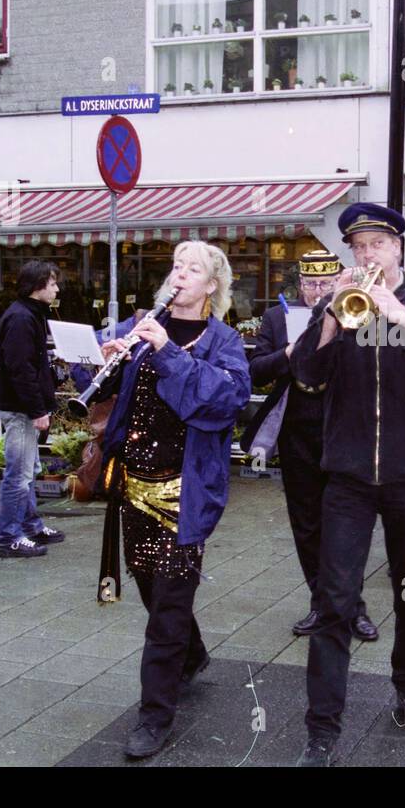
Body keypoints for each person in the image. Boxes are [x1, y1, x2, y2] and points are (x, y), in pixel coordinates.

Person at [291, 203, 405, 767]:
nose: (366, 255)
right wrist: (329, 316)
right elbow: (304, 374)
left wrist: (398, 313)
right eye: (358, 247)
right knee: (334, 602)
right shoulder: (338, 306)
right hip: (347, 477)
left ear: (398, 246)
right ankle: (321, 731)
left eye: (376, 244)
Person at [91, 241, 251, 758]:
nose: (180, 274)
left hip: (183, 493)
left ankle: (154, 717)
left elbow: (226, 402)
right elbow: (91, 392)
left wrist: (166, 352)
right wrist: (98, 360)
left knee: (166, 610)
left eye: (194, 269)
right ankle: (193, 654)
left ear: (211, 287)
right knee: (152, 590)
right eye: (177, 266)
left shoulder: (222, 340)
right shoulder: (137, 329)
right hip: (132, 488)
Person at [241, 250, 378, 642]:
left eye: (325, 284)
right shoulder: (276, 318)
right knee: (306, 523)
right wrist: (289, 352)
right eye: (311, 284)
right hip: (296, 427)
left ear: (338, 283)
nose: (318, 291)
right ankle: (321, 603)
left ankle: (354, 608)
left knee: (346, 525)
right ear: (300, 285)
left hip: (341, 427)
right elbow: (256, 371)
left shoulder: (355, 310)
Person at [0, 260, 64, 559]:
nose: (56, 288)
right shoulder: (22, 318)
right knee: (18, 474)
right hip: (19, 408)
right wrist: (36, 409)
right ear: (37, 286)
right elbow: (20, 369)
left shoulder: (28, 314)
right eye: (52, 283)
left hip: (21, 406)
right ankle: (9, 537)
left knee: (27, 469)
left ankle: (30, 525)